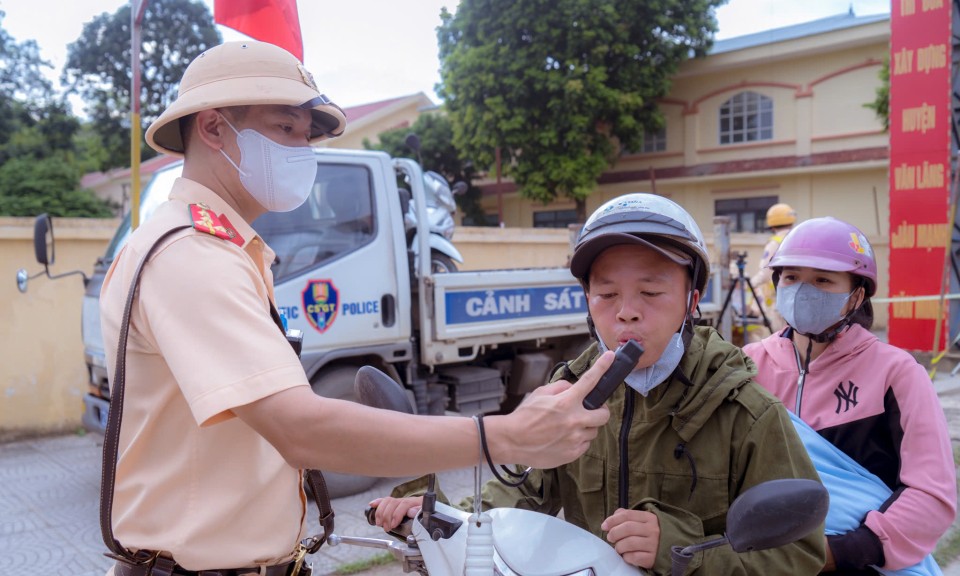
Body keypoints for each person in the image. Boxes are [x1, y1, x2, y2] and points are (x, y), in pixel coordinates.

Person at [98, 40, 611, 576]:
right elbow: (302, 430)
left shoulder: (217, 247)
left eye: (307, 136)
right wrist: (503, 435)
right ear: (212, 128)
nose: (302, 151)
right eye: (285, 129)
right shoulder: (193, 255)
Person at [372, 193, 826, 574]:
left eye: (650, 292)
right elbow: (522, 496)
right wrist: (441, 516)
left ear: (692, 298)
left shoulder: (745, 410)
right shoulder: (569, 395)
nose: (626, 311)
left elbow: (800, 554)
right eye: (606, 294)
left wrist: (682, 550)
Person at [742, 217, 957, 575]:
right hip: (761, 562)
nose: (803, 291)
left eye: (823, 280)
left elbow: (931, 494)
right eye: (792, 278)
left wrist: (844, 550)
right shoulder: (748, 366)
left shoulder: (895, 373)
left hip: (859, 563)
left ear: (856, 295)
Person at [744, 202, 798, 342]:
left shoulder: (775, 242)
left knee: (776, 337)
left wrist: (748, 284)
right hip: (794, 294)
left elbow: (766, 273)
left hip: (775, 299)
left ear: (772, 225)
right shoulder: (797, 239)